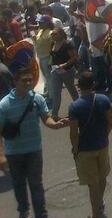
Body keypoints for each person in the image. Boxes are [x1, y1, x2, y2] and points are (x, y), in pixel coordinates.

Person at [0, 67, 69, 218]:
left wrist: (56, 125)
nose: (29, 83)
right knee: (19, 185)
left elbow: (46, 119)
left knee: (36, 184)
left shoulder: (37, 99)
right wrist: (2, 156)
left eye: (30, 80)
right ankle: (24, 211)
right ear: (15, 82)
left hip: (34, 150)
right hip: (14, 153)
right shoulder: (4, 105)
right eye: (24, 80)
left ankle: (41, 214)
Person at [68, 72, 112, 218]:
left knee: (92, 184)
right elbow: (110, 122)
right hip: (102, 145)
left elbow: (74, 132)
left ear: (79, 86)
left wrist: (75, 148)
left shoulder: (74, 107)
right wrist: (104, 136)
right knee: (102, 177)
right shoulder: (104, 100)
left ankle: (96, 213)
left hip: (86, 149)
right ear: (93, 85)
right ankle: (100, 205)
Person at [49, 27, 79, 120]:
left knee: (72, 90)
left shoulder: (67, 44)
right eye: (52, 34)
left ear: (61, 34)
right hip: (56, 71)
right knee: (56, 92)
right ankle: (54, 114)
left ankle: (80, 109)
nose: (52, 35)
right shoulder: (52, 43)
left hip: (67, 71)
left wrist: (65, 64)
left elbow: (74, 57)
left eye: (55, 34)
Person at [33, 15, 54, 107]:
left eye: (41, 22)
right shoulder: (40, 31)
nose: (39, 23)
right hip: (41, 57)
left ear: (47, 23)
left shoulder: (50, 33)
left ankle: (52, 97)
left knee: (49, 78)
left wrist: (50, 61)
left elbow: (52, 49)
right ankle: (49, 93)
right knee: (46, 77)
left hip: (46, 58)